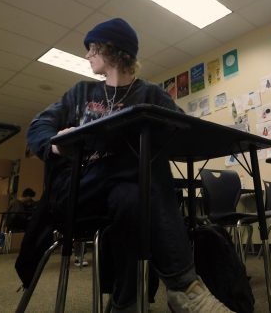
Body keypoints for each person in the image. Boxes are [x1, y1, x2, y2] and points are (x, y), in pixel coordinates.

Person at [15, 18, 232, 313]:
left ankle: (125, 303)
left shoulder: (150, 95)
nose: (88, 55)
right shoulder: (80, 93)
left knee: (133, 196)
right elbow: (40, 124)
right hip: (80, 191)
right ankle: (184, 287)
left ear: (111, 50)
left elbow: (183, 131)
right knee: (142, 170)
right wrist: (54, 143)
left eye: (92, 48)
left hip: (125, 194)